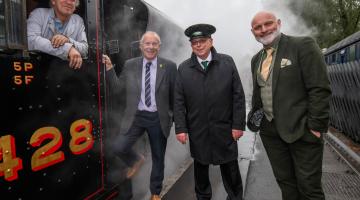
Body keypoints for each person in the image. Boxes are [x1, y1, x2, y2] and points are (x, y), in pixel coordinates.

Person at [248, 11, 331, 200]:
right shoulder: (256, 59)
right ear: (253, 32)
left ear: (278, 23)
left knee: (309, 189)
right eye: (257, 28)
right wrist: (256, 120)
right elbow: (259, 94)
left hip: (302, 131)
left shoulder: (302, 45)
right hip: (271, 133)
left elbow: (319, 88)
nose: (263, 30)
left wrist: (316, 127)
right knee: (286, 185)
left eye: (267, 24)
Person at [174, 24, 245, 200]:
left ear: (211, 41)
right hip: (198, 129)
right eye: (194, 42)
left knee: (230, 168)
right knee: (200, 168)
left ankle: (235, 197)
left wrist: (238, 125)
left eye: (202, 41)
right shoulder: (183, 68)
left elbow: (238, 96)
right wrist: (181, 128)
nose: (198, 45)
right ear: (191, 45)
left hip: (224, 128)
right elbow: (178, 101)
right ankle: (203, 197)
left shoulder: (227, 62)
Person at [103, 31, 177, 200]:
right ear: (141, 46)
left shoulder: (170, 66)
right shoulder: (130, 64)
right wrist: (109, 69)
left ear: (159, 46)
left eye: (154, 44)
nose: (150, 47)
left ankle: (155, 193)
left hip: (158, 118)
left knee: (158, 157)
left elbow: (176, 96)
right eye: (147, 43)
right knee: (118, 147)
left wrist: (172, 118)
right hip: (136, 116)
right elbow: (118, 89)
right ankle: (136, 159)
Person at [27, 0, 88, 69]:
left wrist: (68, 40)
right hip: (40, 68)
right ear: (53, 1)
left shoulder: (78, 20)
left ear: (75, 5)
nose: (68, 2)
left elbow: (85, 49)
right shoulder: (39, 14)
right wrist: (68, 49)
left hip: (65, 72)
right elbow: (31, 40)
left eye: (73, 0)